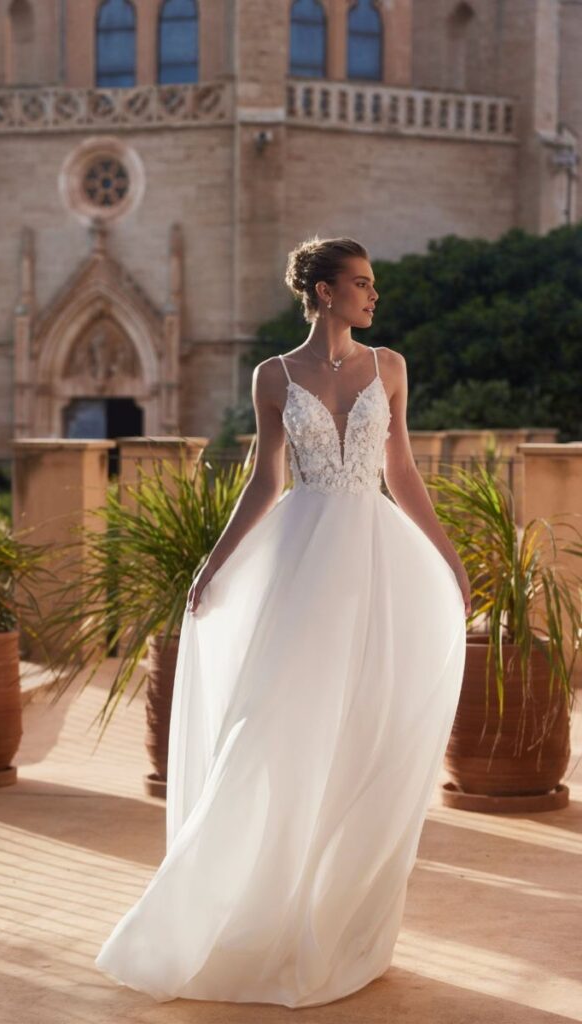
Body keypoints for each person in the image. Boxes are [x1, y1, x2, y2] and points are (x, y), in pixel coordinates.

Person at [95, 236, 470, 1007]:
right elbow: (265, 480)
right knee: (271, 730)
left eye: (373, 283)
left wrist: (450, 560)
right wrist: (214, 563)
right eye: (361, 284)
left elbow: (401, 472)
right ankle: (234, 910)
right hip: (299, 563)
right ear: (325, 292)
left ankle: (335, 922)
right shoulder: (274, 375)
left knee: (360, 733)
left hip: (373, 561)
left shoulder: (388, 366)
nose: (373, 296)